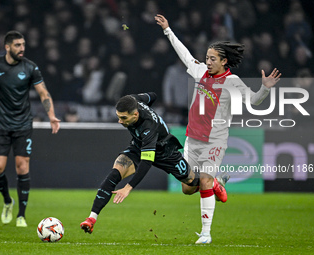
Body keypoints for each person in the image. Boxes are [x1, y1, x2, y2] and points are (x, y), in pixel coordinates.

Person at [155, 14, 281, 244]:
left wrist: (265, 89)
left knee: (203, 180)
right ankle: (216, 183)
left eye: (213, 59)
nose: (208, 62)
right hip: (192, 140)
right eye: (207, 58)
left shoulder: (232, 82)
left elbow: (253, 102)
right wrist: (168, 30)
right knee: (186, 187)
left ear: (224, 61)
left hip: (214, 141)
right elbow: (184, 55)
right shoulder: (200, 72)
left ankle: (206, 233)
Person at [80, 92, 206, 234]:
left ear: (135, 115)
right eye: (118, 116)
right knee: (115, 173)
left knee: (189, 185)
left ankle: (214, 184)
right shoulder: (133, 100)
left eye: (123, 118)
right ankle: (91, 219)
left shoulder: (148, 127)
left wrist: (128, 187)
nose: (120, 121)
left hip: (165, 152)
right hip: (138, 146)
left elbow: (147, 162)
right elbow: (153, 95)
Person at [0, 31, 60, 227]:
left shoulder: (30, 67)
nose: (22, 48)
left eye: (23, 44)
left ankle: (21, 215)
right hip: (1, 124)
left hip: (23, 124)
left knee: (22, 167)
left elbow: (43, 93)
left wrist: (51, 116)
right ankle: (8, 201)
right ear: (7, 47)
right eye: (17, 45)